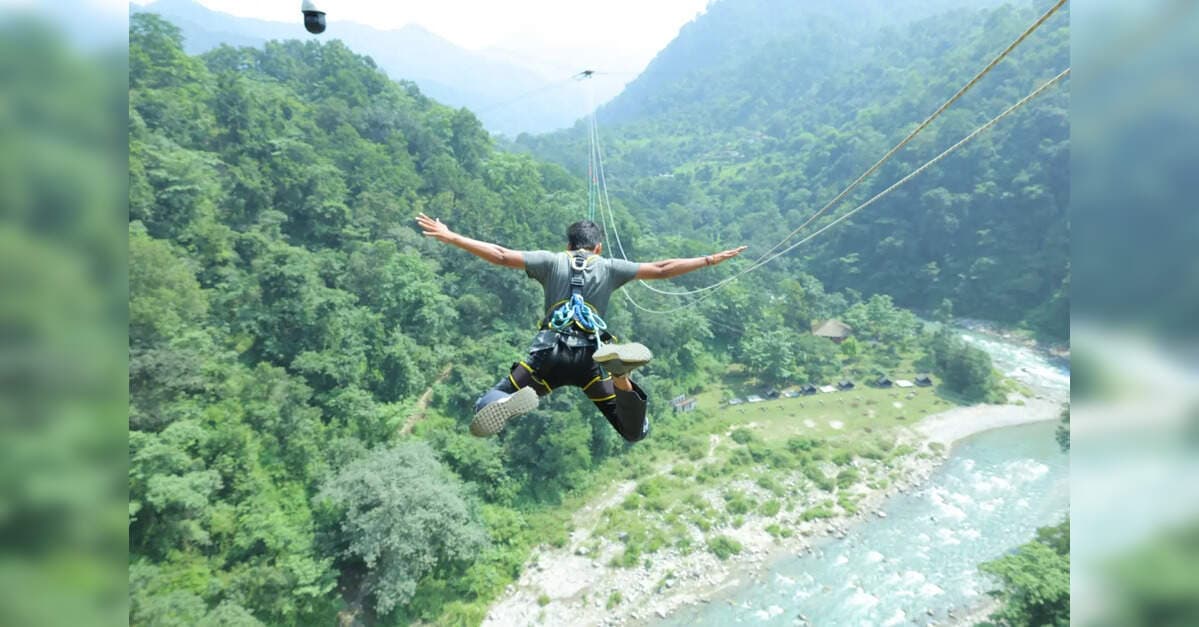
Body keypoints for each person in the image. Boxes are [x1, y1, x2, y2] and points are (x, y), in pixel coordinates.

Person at [416, 213, 746, 440]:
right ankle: (621, 378)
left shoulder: (550, 260)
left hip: (548, 355)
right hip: (593, 360)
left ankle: (504, 402)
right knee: (634, 431)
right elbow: (663, 269)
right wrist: (709, 259)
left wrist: (450, 236)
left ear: (568, 245)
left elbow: (500, 255)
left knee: (489, 401)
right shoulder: (609, 266)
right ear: (597, 247)